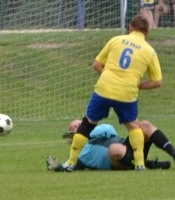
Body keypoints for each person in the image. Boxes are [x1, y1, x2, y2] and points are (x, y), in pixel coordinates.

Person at [61, 15, 162, 172]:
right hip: (127, 92)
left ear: (130, 28)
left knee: (87, 125)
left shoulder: (116, 40)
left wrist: (109, 77)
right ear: (147, 32)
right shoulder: (150, 51)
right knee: (134, 127)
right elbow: (157, 82)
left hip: (104, 88)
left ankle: (71, 162)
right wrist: (138, 85)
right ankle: (140, 164)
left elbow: (96, 64)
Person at [47, 119, 175, 171]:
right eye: (75, 127)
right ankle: (149, 164)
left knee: (143, 125)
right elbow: (70, 166)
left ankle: (174, 153)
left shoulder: (102, 131)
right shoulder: (81, 154)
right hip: (122, 158)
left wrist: (87, 131)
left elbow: (109, 128)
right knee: (114, 149)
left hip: (131, 147)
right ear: (72, 137)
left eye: (80, 123)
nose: (79, 126)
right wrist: (55, 166)